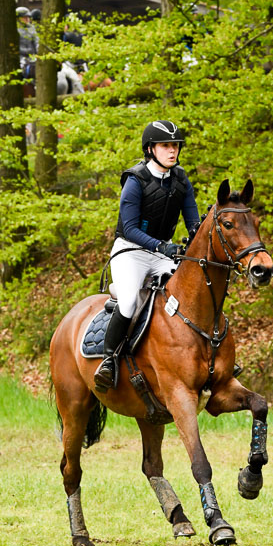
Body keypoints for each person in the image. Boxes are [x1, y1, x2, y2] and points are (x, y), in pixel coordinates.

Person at [94, 120, 200, 391]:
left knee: (191, 292)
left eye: (175, 146)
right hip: (130, 252)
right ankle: (109, 360)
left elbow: (193, 221)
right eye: (166, 146)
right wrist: (162, 247)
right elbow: (129, 228)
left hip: (163, 252)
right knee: (129, 302)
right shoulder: (135, 179)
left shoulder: (180, 179)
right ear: (151, 149)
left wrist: (197, 238)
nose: (172, 151)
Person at [16, 6, 38, 78]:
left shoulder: (32, 28)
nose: (27, 19)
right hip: (20, 58)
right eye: (25, 17)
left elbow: (37, 42)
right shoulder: (14, 29)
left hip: (32, 57)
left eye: (28, 17)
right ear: (18, 18)